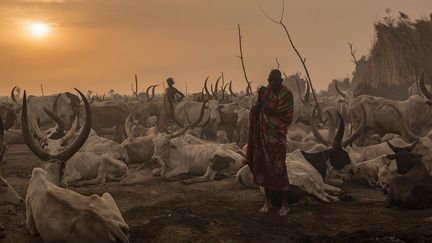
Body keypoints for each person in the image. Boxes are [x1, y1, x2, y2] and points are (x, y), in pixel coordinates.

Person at [246, 69, 294, 216]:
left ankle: (285, 205)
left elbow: (282, 114)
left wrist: (265, 103)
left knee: (279, 169)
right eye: (269, 81)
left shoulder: (286, 94)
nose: (270, 83)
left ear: (281, 81)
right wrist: (259, 100)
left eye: (273, 80)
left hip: (276, 138)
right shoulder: (267, 92)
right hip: (263, 137)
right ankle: (267, 202)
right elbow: (260, 109)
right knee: (263, 168)